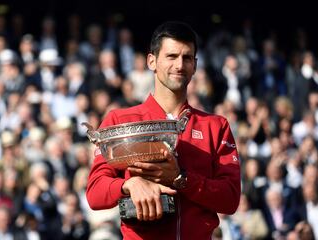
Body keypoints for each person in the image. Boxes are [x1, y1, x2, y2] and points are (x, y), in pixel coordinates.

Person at [86, 21, 241, 240]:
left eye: (187, 58)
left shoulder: (216, 126)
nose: (179, 65)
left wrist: (181, 179)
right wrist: (129, 184)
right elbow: (95, 193)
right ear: (152, 61)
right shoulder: (119, 120)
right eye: (171, 56)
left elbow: (230, 199)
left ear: (195, 65)